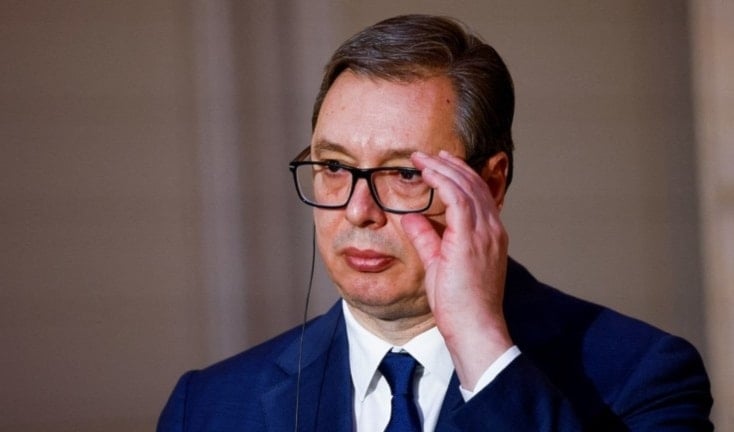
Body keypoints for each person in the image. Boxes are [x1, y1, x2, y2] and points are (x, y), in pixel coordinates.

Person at [158, 14, 713, 431]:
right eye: (333, 167)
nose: (358, 212)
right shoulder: (206, 406)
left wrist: (481, 343)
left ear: (489, 185)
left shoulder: (643, 376)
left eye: (403, 173)